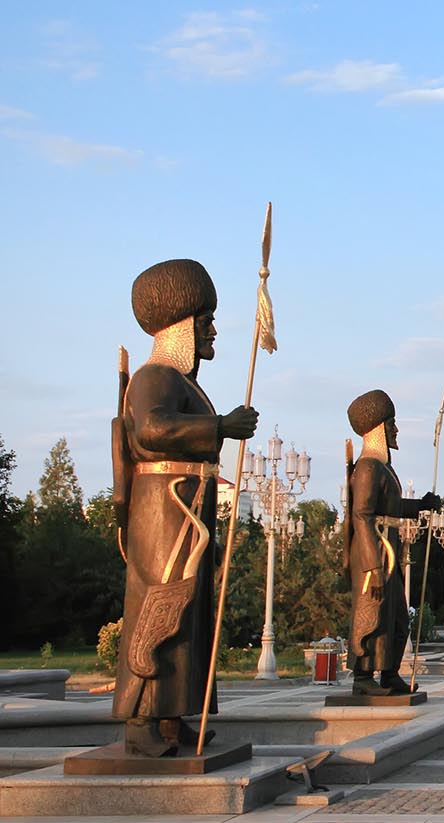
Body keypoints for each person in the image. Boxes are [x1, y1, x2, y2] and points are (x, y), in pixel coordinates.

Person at [112, 259, 259, 756]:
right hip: (164, 509)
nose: (213, 330)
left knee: (188, 614)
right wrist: (219, 428)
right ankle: (141, 720)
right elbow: (151, 430)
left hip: (187, 510)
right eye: (205, 321)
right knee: (161, 607)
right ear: (180, 326)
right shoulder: (156, 376)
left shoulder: (188, 383)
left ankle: (172, 717)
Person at [345, 389, 442, 696]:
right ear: (378, 429)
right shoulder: (367, 468)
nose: (396, 430)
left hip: (389, 551)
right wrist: (373, 566)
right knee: (372, 614)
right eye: (392, 424)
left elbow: (392, 508)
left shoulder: (383, 468)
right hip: (373, 554)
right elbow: (362, 515)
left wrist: (422, 505)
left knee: (396, 617)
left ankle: (389, 673)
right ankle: (362, 678)